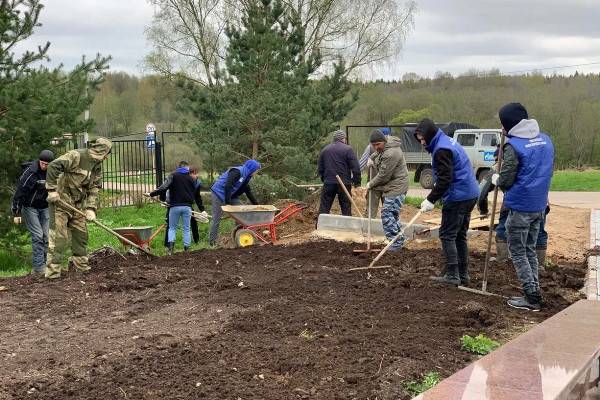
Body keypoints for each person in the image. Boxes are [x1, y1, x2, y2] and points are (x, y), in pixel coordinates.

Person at [493, 102, 554, 311]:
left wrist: (496, 179)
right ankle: (534, 290)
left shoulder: (514, 146)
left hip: (520, 207)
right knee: (529, 249)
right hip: (539, 206)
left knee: (518, 252)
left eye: (502, 123)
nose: (501, 127)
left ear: (509, 123)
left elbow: (507, 179)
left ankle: (531, 297)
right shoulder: (545, 140)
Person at [415, 118, 479, 286]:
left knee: (447, 235)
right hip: (469, 193)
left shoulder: (441, 149)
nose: (422, 142)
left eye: (422, 139)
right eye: (419, 139)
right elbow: (447, 173)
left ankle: (452, 275)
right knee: (459, 235)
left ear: (429, 134)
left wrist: (431, 199)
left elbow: (445, 179)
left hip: (458, 196)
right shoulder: (446, 141)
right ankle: (463, 274)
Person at [44, 138, 113, 279]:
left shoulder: (97, 166)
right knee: (59, 238)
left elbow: (94, 187)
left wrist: (91, 208)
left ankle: (81, 268)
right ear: (100, 151)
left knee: (81, 236)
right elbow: (53, 166)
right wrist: (51, 190)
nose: (107, 157)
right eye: (106, 153)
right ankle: (53, 273)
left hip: (78, 205)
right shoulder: (76, 156)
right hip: (61, 204)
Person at [11, 150, 55, 274]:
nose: (44, 166)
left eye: (47, 164)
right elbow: (20, 192)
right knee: (38, 236)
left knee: (47, 236)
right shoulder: (31, 173)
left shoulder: (53, 173)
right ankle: (38, 268)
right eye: (42, 163)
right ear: (39, 161)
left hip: (45, 207)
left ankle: (48, 265)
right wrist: (16, 212)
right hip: (30, 208)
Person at [365, 130, 409, 251]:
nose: (375, 147)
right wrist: (371, 157)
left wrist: (371, 184)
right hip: (392, 185)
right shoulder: (386, 146)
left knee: (387, 213)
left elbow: (383, 176)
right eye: (373, 145)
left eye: (377, 144)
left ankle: (395, 243)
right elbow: (378, 153)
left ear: (384, 141)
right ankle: (399, 240)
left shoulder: (391, 153)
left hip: (397, 186)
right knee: (393, 214)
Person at [148, 164, 205, 255]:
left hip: (174, 207)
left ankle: (171, 250)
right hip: (187, 207)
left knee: (172, 228)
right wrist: (202, 209)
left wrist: (151, 194)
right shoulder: (191, 179)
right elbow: (195, 194)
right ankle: (187, 249)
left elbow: (164, 187)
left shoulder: (173, 175)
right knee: (186, 228)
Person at [209, 159, 261, 246]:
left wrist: (258, 206)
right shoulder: (237, 171)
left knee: (241, 212)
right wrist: (228, 204)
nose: (256, 172)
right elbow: (227, 186)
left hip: (230, 195)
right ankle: (213, 242)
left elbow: (248, 192)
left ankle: (238, 235)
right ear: (252, 168)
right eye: (256, 170)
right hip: (218, 193)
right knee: (216, 218)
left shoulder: (246, 177)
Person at [317, 130, 361, 216]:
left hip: (329, 183)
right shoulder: (348, 149)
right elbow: (355, 167)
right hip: (344, 183)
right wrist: (356, 182)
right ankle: (347, 227)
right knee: (346, 207)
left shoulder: (325, 150)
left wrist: (324, 179)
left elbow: (320, 168)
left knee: (324, 207)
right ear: (343, 139)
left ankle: (320, 227)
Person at [359, 127, 390, 217]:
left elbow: (361, 163)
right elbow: (363, 162)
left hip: (383, 185)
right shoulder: (371, 147)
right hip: (377, 185)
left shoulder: (391, 149)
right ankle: (368, 229)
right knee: (372, 212)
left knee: (387, 211)